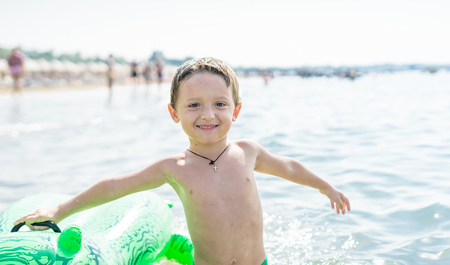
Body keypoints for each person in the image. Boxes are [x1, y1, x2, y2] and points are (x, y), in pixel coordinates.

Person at [14, 57, 350, 265]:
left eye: (220, 104)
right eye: (193, 105)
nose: (208, 114)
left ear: (236, 110)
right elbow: (115, 186)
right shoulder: (173, 168)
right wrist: (59, 210)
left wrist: (325, 187)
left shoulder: (248, 152)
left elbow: (289, 167)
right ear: (174, 113)